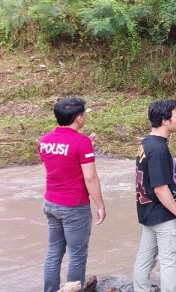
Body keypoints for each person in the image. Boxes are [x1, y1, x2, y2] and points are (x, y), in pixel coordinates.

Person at [133, 99, 176, 292]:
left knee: (144, 261)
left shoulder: (147, 143)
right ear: (165, 120)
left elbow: (164, 172)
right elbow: (160, 188)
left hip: (149, 213)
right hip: (163, 215)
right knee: (170, 263)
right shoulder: (159, 149)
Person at [39, 97, 106, 292]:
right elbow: (90, 177)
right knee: (77, 254)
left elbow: (60, 163)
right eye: (84, 113)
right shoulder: (81, 142)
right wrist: (100, 205)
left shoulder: (45, 140)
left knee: (54, 251)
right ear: (79, 118)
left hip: (51, 202)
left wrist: (85, 147)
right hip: (73, 205)